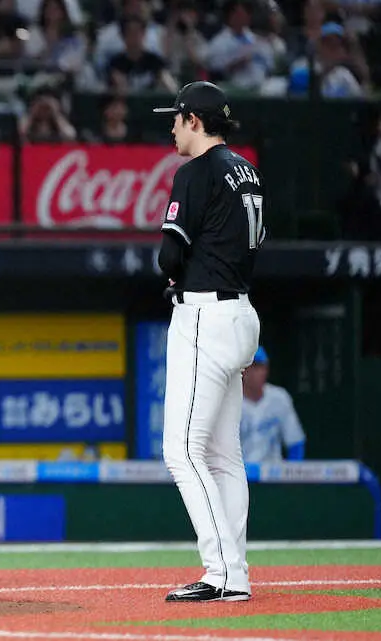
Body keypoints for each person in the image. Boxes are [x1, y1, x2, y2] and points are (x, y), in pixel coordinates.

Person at [153, 81, 263, 603]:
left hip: (205, 317)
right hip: (241, 311)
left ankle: (222, 573)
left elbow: (168, 257)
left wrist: (175, 275)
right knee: (223, 456)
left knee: (182, 451)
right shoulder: (246, 170)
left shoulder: (195, 171)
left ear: (195, 121)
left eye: (176, 118)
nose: (171, 127)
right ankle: (234, 572)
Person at [240, 346, 306, 463]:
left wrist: (291, 476)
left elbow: (295, 442)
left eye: (262, 367)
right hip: (239, 473)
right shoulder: (230, 401)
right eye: (253, 367)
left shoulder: (279, 398)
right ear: (243, 371)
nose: (259, 372)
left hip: (272, 475)